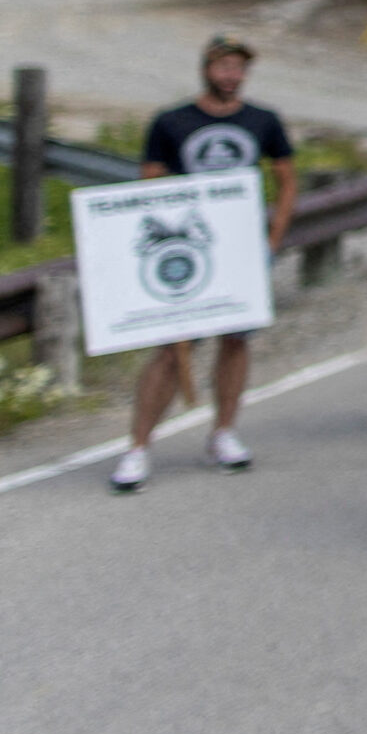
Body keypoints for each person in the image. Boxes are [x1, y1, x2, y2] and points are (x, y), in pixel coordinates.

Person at [108, 34, 299, 494]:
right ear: (207, 69)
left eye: (238, 68)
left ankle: (223, 433)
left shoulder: (263, 120)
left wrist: (272, 238)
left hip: (241, 248)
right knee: (173, 345)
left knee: (236, 340)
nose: (231, 76)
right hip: (189, 249)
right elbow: (149, 186)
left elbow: (287, 180)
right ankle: (138, 445)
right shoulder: (172, 121)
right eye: (223, 67)